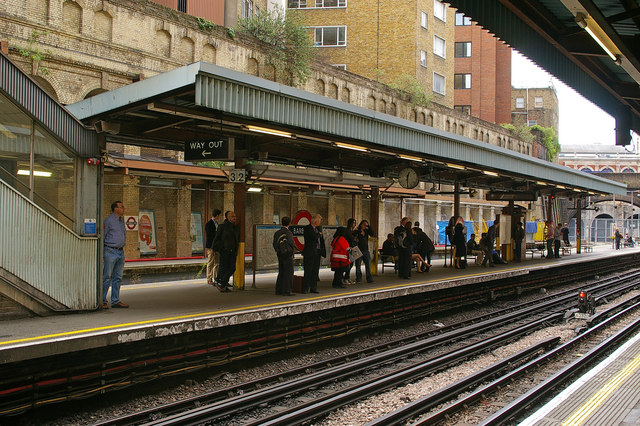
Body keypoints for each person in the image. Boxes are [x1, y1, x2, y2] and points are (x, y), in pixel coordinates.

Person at [102, 201, 128, 309]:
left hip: (120, 252)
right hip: (110, 251)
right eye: (121, 207)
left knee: (118, 277)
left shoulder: (122, 221)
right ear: (115, 209)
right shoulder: (108, 221)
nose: (123, 208)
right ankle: (102, 300)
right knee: (107, 276)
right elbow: (104, 235)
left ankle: (115, 300)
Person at [212, 210, 240, 292]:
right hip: (224, 250)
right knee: (225, 268)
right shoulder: (222, 226)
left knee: (232, 268)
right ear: (227, 217)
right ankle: (221, 283)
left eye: (235, 216)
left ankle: (221, 282)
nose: (234, 218)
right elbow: (216, 238)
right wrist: (213, 248)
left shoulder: (236, 227)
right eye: (232, 216)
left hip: (233, 251)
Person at [302, 214, 325, 294]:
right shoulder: (308, 228)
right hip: (310, 252)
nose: (320, 223)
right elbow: (312, 237)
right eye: (319, 221)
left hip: (317, 252)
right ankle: (305, 288)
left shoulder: (318, 229)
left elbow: (321, 240)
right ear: (315, 221)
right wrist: (319, 234)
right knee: (308, 270)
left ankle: (313, 287)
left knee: (315, 271)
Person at [273, 216, 295, 296]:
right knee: (288, 273)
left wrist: (278, 251)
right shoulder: (288, 233)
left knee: (281, 272)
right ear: (289, 223)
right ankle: (287, 290)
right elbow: (291, 244)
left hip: (280, 255)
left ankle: (278, 290)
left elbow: (274, 244)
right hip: (287, 255)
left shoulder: (277, 233)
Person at [204, 209, 222, 286]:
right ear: (217, 215)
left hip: (217, 246)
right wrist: (212, 248)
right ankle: (209, 278)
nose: (219, 216)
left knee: (217, 263)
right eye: (219, 215)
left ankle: (215, 278)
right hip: (211, 246)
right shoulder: (208, 224)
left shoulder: (217, 223)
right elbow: (209, 237)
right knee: (210, 262)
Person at [343, 218, 358, 285]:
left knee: (351, 264)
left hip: (353, 248)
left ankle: (347, 277)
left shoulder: (352, 231)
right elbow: (352, 239)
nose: (354, 224)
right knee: (349, 264)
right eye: (353, 223)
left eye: (355, 223)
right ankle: (346, 277)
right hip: (349, 248)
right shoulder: (347, 231)